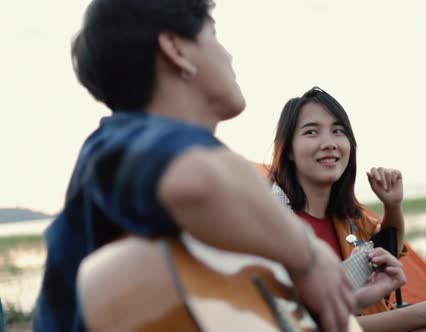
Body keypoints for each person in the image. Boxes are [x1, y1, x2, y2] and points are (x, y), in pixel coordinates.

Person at [33, 2, 361, 331]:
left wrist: (334, 301)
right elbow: (196, 181)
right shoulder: (117, 142)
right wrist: (309, 256)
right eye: (214, 34)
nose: (229, 55)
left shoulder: (198, 213)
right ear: (176, 48)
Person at [269, 86, 426, 332]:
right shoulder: (274, 227)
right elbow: (305, 327)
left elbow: (388, 246)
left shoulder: (347, 218)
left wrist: (392, 206)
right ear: (289, 151)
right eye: (311, 132)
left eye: (338, 131)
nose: (329, 143)